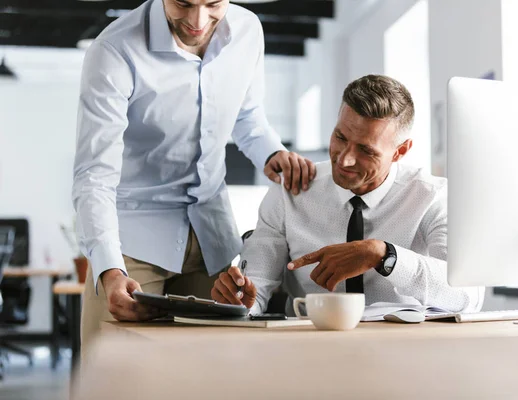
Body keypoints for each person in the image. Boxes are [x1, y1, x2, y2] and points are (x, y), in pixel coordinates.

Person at [72, 0, 315, 354]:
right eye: (183, 3)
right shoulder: (114, 51)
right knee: (115, 373)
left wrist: (272, 153)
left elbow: (247, 115)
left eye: (213, 3)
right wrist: (109, 269)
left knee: (209, 373)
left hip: (211, 238)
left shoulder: (247, 31)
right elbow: (94, 175)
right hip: (132, 244)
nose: (197, 21)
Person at [212, 74, 483, 314]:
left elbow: (467, 295)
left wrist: (383, 255)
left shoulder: (432, 197)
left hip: (405, 347)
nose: (345, 160)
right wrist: (240, 300)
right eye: (340, 137)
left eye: (366, 150)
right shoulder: (290, 192)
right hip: (309, 346)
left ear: (400, 151)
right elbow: (255, 288)